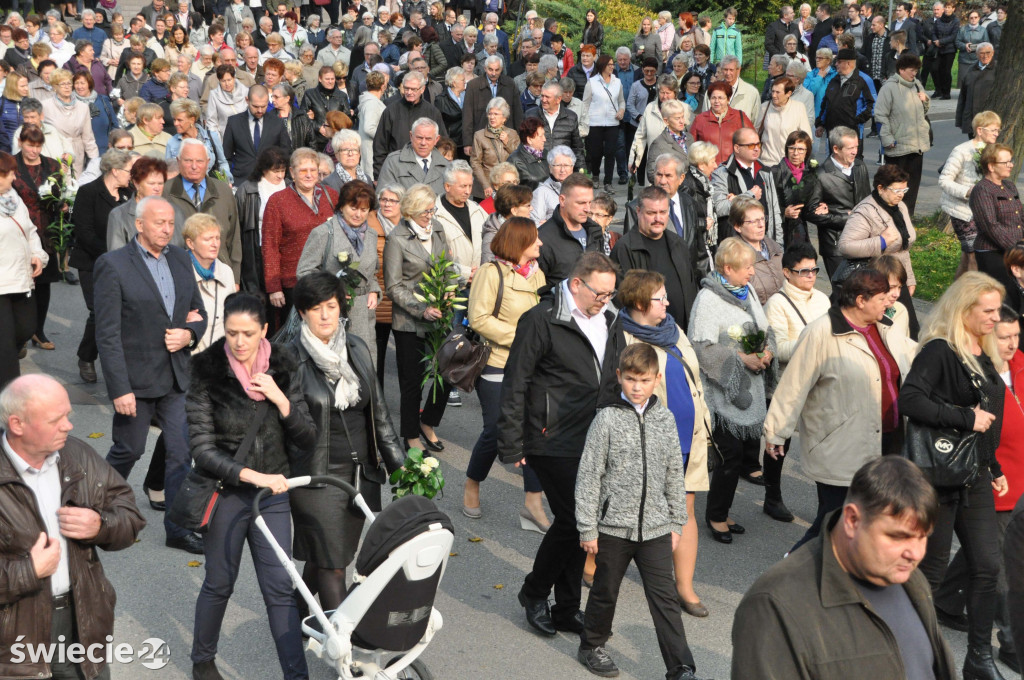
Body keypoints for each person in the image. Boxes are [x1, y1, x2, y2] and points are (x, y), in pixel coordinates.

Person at [185, 292, 315, 680]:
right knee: (220, 582)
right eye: (231, 333)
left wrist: (282, 401)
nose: (239, 343)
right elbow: (202, 450)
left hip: (271, 497)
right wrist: (253, 476)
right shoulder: (205, 370)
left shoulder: (285, 364)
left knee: (279, 587)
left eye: (247, 333)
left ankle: (297, 675)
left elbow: (308, 437)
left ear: (264, 330)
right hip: (227, 494)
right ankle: (202, 662)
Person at [732, 456, 956, 678]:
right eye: (898, 537)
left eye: (922, 537)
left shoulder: (909, 578)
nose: (915, 554)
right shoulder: (774, 605)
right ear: (852, 520)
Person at [498, 251, 624, 637]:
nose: (606, 300)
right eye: (600, 293)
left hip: (596, 435)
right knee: (573, 519)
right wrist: (511, 443)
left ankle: (567, 608)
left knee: (582, 524)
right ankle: (534, 592)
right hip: (551, 437)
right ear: (576, 284)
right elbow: (516, 380)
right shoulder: (542, 320)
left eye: (610, 293)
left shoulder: (610, 318)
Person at [899, 272, 1009, 680]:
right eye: (989, 310)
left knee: (986, 564)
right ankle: (915, 656)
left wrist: (993, 465)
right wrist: (964, 417)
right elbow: (910, 399)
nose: (996, 318)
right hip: (938, 475)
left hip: (975, 473)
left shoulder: (982, 351)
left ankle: (978, 658)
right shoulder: (940, 351)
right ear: (964, 310)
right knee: (930, 570)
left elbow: (988, 420)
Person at [0, 374, 145, 680]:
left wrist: (100, 525)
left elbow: (129, 515)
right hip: (13, 636)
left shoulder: (77, 454)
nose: (68, 425)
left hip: (81, 620)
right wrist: (29, 570)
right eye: (56, 419)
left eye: (68, 414)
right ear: (17, 425)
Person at [575, 342, 704, 680]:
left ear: (656, 379)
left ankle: (681, 666)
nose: (637, 386)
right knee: (605, 591)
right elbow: (589, 474)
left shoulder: (665, 419)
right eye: (631, 379)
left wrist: (677, 522)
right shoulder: (606, 419)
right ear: (619, 377)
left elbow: (675, 474)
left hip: (657, 528)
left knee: (665, 600)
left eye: (644, 380)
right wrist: (588, 528)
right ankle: (591, 645)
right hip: (614, 526)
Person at [283, 270, 404, 617]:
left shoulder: (357, 347)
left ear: (341, 308)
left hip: (361, 473)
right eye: (316, 307)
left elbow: (379, 413)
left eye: (331, 306)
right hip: (316, 477)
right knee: (334, 564)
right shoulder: (288, 358)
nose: (325, 315)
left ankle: (290, 613)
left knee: (330, 555)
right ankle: (345, 652)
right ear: (302, 312)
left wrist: (401, 468)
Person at [767, 265, 916, 546]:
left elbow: (914, 355)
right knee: (833, 521)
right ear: (861, 300)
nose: (890, 302)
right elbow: (793, 385)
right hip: (841, 446)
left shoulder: (886, 326)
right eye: (883, 297)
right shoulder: (821, 332)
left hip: (888, 441)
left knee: (866, 522)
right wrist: (776, 431)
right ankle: (791, 574)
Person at [94, 196, 208, 554]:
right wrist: (119, 389)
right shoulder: (112, 265)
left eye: (171, 224)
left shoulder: (178, 258)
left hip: (175, 377)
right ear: (139, 225)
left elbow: (198, 312)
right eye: (159, 223)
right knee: (129, 449)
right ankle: (93, 507)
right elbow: (107, 334)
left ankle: (177, 528)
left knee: (180, 452)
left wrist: (190, 334)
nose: (166, 229)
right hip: (135, 380)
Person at [933, 303, 1023, 673]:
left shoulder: (1019, 366)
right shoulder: (972, 375)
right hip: (993, 479)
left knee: (983, 549)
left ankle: (947, 601)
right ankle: (1012, 641)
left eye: (1017, 336)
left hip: (1019, 476)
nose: (1012, 344)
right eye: (1004, 337)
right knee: (1003, 562)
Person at [617, 270, 712, 617]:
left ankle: (684, 587)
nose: (667, 303)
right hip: (649, 443)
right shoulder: (623, 338)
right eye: (660, 298)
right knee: (628, 509)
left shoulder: (673, 329)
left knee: (684, 513)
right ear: (641, 303)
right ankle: (595, 563)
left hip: (689, 440)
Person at [688, 237, 777, 544]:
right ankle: (715, 515)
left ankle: (722, 511)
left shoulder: (746, 290)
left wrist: (767, 352)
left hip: (748, 388)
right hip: (721, 394)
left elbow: (762, 327)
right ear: (727, 268)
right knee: (729, 458)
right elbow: (701, 349)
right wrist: (741, 359)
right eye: (747, 267)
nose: (753, 272)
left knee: (736, 459)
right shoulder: (708, 300)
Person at [463, 217, 548, 529]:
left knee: (534, 432)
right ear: (519, 243)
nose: (540, 244)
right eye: (535, 240)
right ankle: (472, 483)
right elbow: (479, 318)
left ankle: (533, 504)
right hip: (498, 362)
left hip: (532, 366)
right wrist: (523, 338)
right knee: (496, 431)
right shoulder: (490, 272)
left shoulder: (537, 275)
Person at [382, 183, 457, 452]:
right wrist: (421, 308)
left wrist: (449, 290)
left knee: (447, 375)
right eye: (426, 211)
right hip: (410, 322)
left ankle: (428, 422)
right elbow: (393, 286)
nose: (431, 214)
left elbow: (447, 266)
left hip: (440, 318)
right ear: (411, 211)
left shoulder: (437, 229)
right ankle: (411, 434)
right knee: (412, 381)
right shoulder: (396, 239)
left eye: (433, 209)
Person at [296, 180, 381, 359]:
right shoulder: (324, 232)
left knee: (365, 365)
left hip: (364, 314)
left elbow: (371, 270)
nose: (358, 214)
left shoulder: (372, 235)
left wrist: (373, 289)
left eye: (364, 210)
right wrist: (332, 291)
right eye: (353, 207)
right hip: (331, 315)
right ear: (341, 206)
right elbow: (304, 272)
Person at [69, 148, 133, 384]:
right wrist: (112, 253)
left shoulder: (128, 193)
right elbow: (84, 232)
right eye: (128, 170)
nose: (131, 175)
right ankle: (86, 357)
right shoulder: (88, 192)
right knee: (99, 312)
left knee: (118, 313)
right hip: (92, 261)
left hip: (123, 263)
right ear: (115, 171)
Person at [838, 163, 919, 338]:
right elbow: (845, 246)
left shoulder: (900, 207)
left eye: (904, 191)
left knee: (909, 331)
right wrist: (880, 241)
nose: (901, 195)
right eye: (896, 190)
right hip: (876, 284)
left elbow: (903, 249)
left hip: (897, 279)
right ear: (880, 188)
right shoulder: (865, 211)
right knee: (884, 333)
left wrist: (909, 278)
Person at [261, 147, 338, 327]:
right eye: (303, 170)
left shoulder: (331, 196)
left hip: (328, 280)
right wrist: (274, 288)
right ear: (292, 173)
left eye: (313, 170)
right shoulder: (277, 202)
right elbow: (270, 246)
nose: (309, 175)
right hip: (293, 284)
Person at [613, 183, 700, 326]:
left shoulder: (679, 244)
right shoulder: (625, 248)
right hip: (647, 335)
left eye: (663, 212)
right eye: (651, 213)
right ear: (638, 211)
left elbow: (691, 287)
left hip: (682, 334)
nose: (658, 219)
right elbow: (623, 302)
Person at [11, 126, 63, 354]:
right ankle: (19, 334)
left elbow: (62, 194)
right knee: (20, 285)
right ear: (21, 142)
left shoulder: (52, 165)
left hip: (46, 231)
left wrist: (63, 203)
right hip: (18, 231)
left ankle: (38, 331)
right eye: (30, 145)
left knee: (43, 285)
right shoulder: (10, 165)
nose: (34, 150)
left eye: (38, 146)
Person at [163, 139, 242, 280]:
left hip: (220, 274)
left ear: (208, 162)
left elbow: (234, 238)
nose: (194, 166)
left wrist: (235, 277)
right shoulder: (164, 192)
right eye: (188, 161)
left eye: (199, 161)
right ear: (178, 161)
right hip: (179, 274)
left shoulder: (223, 191)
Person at [0, 151, 45, 388]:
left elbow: (30, 231)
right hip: (1, 283)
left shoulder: (13, 198)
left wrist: (37, 255)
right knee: (5, 345)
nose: (12, 178)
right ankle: (9, 397)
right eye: (7, 174)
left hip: (21, 278)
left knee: (26, 328)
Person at [940, 111, 999, 279]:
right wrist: (967, 191)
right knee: (974, 254)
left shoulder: (994, 151)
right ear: (980, 130)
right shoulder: (962, 151)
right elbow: (944, 180)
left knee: (967, 255)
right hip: (962, 212)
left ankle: (953, 296)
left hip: (982, 211)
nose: (996, 133)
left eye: (998, 130)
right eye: (993, 129)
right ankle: (974, 296)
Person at [809, 126, 871, 279]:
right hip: (835, 245)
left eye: (856, 146)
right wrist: (846, 216)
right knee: (842, 292)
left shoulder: (860, 166)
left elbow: (868, 200)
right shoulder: (820, 174)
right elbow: (811, 213)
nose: (855, 151)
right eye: (850, 148)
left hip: (862, 241)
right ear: (836, 148)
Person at [873, 53, 930, 215]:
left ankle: (907, 215)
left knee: (912, 186)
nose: (914, 74)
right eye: (911, 70)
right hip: (897, 146)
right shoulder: (889, 88)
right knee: (894, 184)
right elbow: (880, 114)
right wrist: (887, 138)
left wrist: (925, 100)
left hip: (916, 146)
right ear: (901, 69)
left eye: (916, 70)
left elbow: (924, 111)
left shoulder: (917, 85)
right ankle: (890, 214)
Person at [711, 128, 784, 248]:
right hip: (738, 247)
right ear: (737, 148)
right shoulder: (722, 173)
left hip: (765, 244)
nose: (756, 148)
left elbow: (774, 211)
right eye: (750, 145)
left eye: (758, 144)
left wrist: (779, 245)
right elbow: (719, 208)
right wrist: (749, 196)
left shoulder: (765, 171)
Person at [371, 71, 446, 178]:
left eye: (413, 89)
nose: (409, 92)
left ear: (422, 89)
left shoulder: (432, 112)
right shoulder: (391, 111)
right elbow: (380, 145)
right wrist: (378, 175)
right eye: (406, 88)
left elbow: (442, 144)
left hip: (426, 172)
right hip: (397, 171)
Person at [970, 143, 1023, 295]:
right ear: (991, 166)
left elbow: (1020, 216)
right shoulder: (982, 189)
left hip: (1015, 251)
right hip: (993, 254)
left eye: (1010, 161)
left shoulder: (1009, 185)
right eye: (1005, 162)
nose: (1010, 165)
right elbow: (991, 226)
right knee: (1003, 296)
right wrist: (1016, 249)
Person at [536, 171, 602, 288]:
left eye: (589, 202)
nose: (587, 209)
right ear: (562, 200)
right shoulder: (542, 239)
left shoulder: (594, 231)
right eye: (581, 203)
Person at [222, 85, 293, 187]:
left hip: (270, 183)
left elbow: (286, 154)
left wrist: (283, 178)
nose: (260, 110)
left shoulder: (277, 123)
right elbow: (225, 156)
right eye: (255, 106)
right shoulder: (234, 122)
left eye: (263, 106)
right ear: (247, 100)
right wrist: (226, 179)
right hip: (241, 182)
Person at [769, 130, 824, 248]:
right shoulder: (775, 172)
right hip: (778, 230)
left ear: (807, 152)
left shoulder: (810, 173)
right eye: (792, 148)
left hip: (799, 229)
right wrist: (784, 212)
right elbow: (766, 204)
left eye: (800, 149)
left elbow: (812, 201)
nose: (795, 153)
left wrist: (822, 205)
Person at [816, 49, 874, 158]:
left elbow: (872, 104)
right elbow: (826, 104)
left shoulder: (862, 81)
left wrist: (856, 120)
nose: (836, 64)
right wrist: (820, 123)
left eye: (839, 62)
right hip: (833, 132)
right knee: (834, 163)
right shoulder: (834, 80)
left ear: (848, 63)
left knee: (852, 164)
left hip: (852, 133)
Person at [107, 156, 173, 253]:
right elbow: (116, 257)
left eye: (160, 183)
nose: (157, 188)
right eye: (151, 183)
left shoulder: (174, 212)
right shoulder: (119, 215)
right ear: (137, 184)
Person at [40, 68, 98, 176]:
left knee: (76, 186)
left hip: (77, 153)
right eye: (62, 84)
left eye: (69, 83)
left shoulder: (83, 107)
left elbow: (88, 137)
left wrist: (94, 160)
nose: (67, 87)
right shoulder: (45, 106)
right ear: (54, 86)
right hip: (56, 153)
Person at [580, 55, 624, 194]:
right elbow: (585, 103)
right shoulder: (592, 82)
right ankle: (595, 175)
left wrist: (621, 110)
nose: (612, 66)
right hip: (595, 123)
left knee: (611, 153)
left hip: (612, 122)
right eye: (609, 64)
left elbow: (622, 101)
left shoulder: (617, 82)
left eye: (613, 64)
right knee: (595, 153)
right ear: (602, 66)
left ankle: (608, 181)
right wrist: (585, 121)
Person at [376, 117, 451, 194]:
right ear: (411, 136)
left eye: (428, 139)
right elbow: (382, 197)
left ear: (436, 139)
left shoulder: (446, 166)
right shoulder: (394, 162)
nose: (423, 143)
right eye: (419, 138)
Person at [166, 98, 231, 183]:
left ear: (192, 120)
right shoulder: (172, 143)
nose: (175, 123)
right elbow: (169, 171)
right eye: (174, 120)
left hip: (211, 187)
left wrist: (226, 181)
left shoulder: (211, 136)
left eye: (179, 120)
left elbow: (222, 162)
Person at [690, 81, 753, 166]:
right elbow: (691, 146)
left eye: (720, 98)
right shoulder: (700, 119)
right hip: (709, 170)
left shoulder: (739, 116)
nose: (717, 101)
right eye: (713, 98)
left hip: (734, 169)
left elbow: (752, 141)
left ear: (728, 99)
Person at [755, 76, 814, 167]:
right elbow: (756, 132)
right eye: (773, 91)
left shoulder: (798, 108)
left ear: (788, 93)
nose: (774, 95)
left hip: (789, 164)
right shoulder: (764, 107)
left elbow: (807, 138)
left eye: (778, 92)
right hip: (766, 162)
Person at [524, 80, 585, 167]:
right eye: (542, 96)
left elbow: (577, 148)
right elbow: (524, 145)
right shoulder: (530, 115)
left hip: (562, 170)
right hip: (537, 169)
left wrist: (580, 171)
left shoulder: (571, 117)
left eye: (547, 97)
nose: (543, 100)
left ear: (558, 99)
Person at [470, 98, 518, 201]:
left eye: (496, 114)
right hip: (486, 189)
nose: (492, 117)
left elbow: (518, 159)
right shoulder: (479, 135)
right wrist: (485, 185)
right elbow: (475, 162)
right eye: (490, 114)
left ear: (504, 118)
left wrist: (507, 143)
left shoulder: (513, 134)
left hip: (507, 188)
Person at [644, 99, 693, 186]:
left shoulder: (689, 138)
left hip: (691, 193)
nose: (682, 121)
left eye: (682, 117)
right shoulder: (659, 144)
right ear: (666, 121)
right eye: (677, 118)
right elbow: (652, 174)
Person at [955, 42, 995, 139]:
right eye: (981, 53)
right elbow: (963, 97)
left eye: (988, 52)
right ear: (976, 55)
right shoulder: (970, 70)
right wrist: (959, 119)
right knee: (975, 150)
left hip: (990, 121)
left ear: (993, 53)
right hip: (972, 119)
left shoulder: (997, 70)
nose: (985, 56)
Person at [206, 64, 250, 139]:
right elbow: (212, 122)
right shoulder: (214, 95)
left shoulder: (245, 91)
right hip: (226, 137)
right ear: (219, 80)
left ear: (234, 78)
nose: (227, 84)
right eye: (223, 81)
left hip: (246, 136)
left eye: (229, 80)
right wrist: (217, 143)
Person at [0, 73, 28, 154]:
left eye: (26, 85)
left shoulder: (30, 103)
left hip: (25, 151)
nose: (26, 88)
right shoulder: (1, 103)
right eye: (22, 86)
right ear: (12, 87)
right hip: (5, 151)